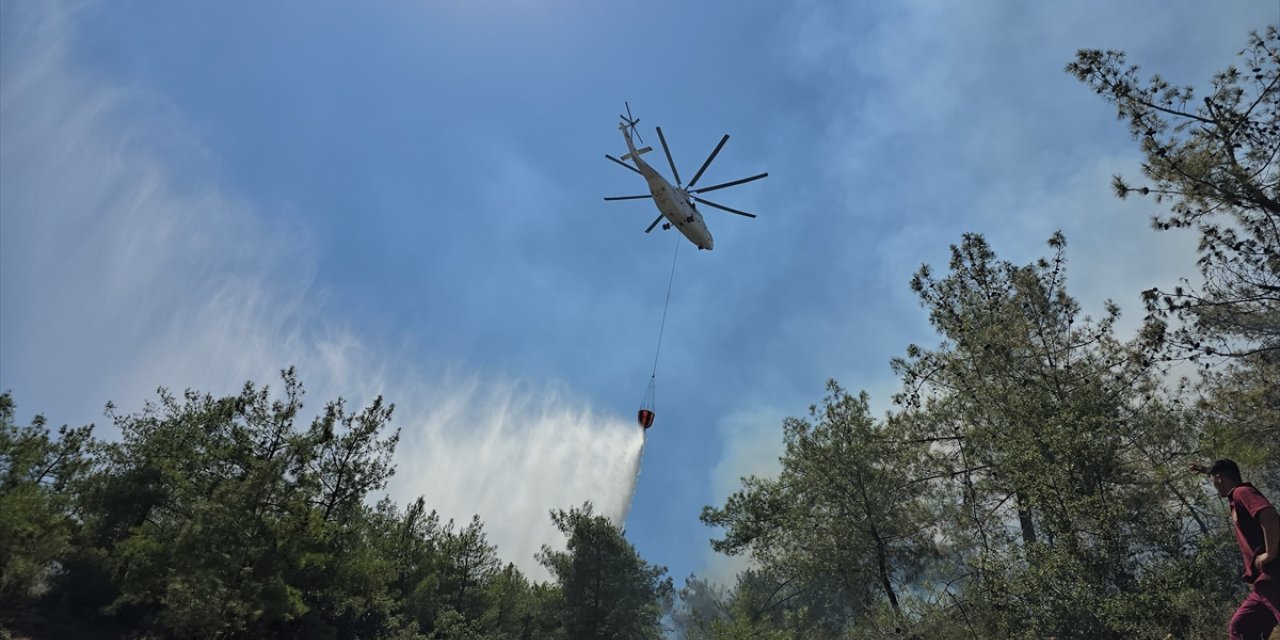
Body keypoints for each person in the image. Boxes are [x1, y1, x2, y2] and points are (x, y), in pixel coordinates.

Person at [1190, 459, 1280, 639]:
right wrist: (1204, 469)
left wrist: (1269, 554)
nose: (1213, 485)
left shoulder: (1242, 492)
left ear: (1220, 478)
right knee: (1242, 627)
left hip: (1274, 576)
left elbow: (1269, 516)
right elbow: (1217, 471)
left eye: (1212, 479)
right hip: (1263, 583)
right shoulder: (1235, 495)